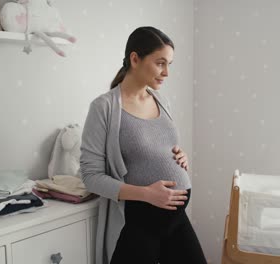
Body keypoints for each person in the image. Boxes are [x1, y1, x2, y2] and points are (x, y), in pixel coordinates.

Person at [80, 26, 207, 264]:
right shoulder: (104, 108)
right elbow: (90, 176)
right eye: (160, 63)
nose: (167, 72)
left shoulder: (161, 99)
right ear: (135, 59)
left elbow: (158, 147)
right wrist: (146, 194)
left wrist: (181, 156)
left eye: (169, 64)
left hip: (175, 220)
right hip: (140, 223)